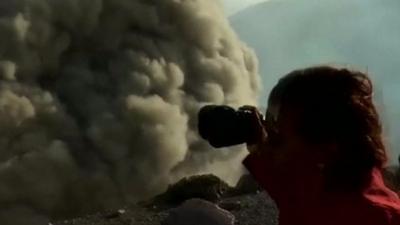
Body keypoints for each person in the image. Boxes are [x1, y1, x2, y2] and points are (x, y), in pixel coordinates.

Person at [243, 66, 400, 225]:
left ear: (326, 145)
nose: (270, 145)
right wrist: (257, 145)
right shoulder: (325, 198)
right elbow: (285, 187)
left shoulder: (374, 218)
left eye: (279, 136)